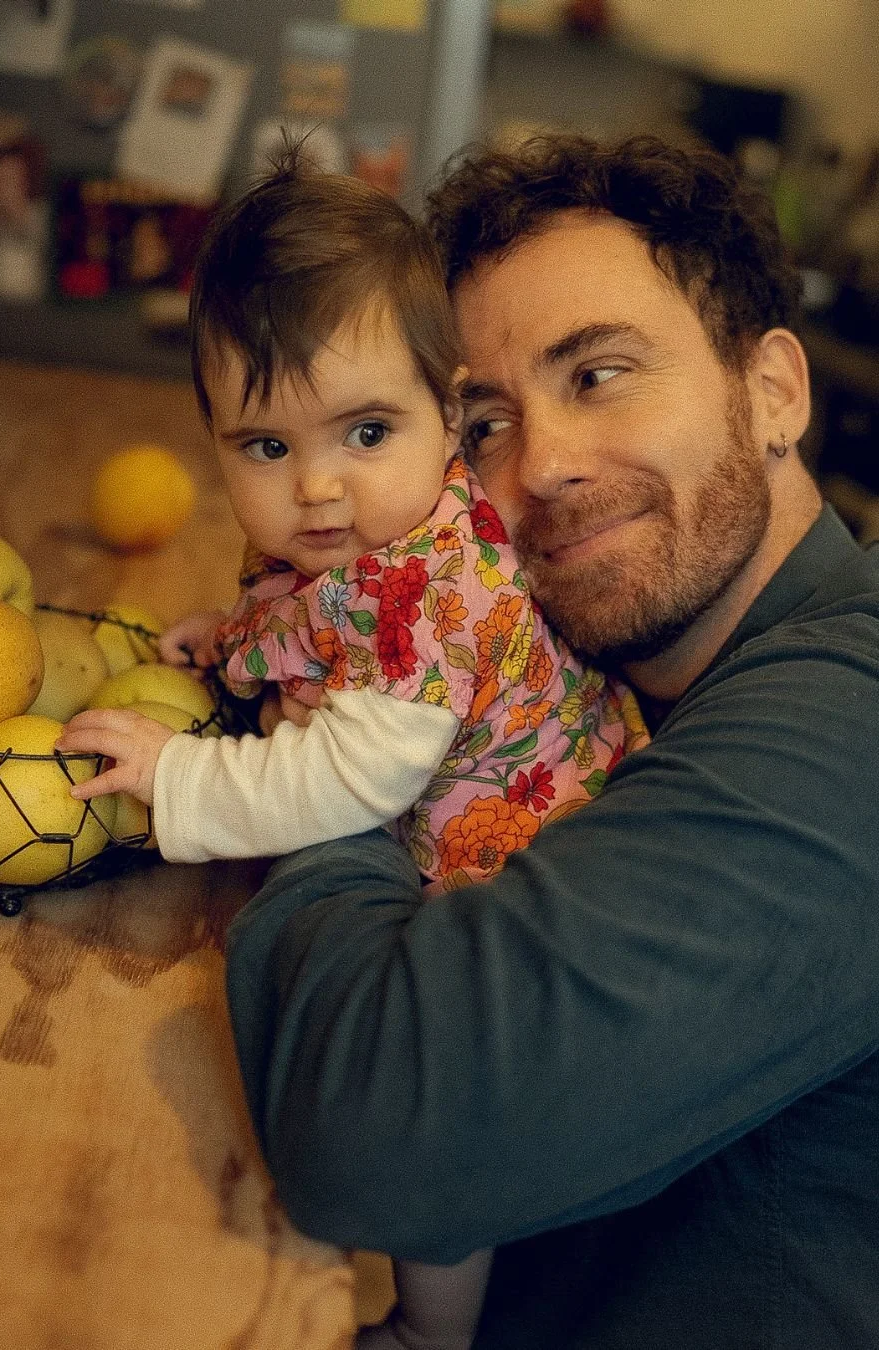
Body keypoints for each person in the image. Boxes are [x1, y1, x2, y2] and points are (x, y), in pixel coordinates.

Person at [220, 134, 879, 1349]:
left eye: (601, 373)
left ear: (774, 392)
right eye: (480, 425)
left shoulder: (852, 715)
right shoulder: (585, 677)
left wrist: (335, 773)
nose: (547, 468)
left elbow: (378, 1126)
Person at [55, 155, 646, 1350]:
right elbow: (314, 625)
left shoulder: (429, 594)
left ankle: (435, 1331)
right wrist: (228, 639)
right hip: (483, 826)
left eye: (366, 430)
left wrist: (179, 780)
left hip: (528, 871)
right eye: (263, 448)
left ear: (448, 416)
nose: (318, 486)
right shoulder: (363, 543)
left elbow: (343, 775)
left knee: (452, 1139)